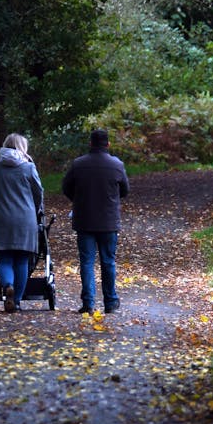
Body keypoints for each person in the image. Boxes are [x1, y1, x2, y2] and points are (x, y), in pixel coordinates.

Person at [62, 127, 129, 314]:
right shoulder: (117, 165)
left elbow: (66, 187)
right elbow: (125, 190)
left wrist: (79, 200)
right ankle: (110, 301)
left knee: (87, 262)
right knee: (108, 261)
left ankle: (88, 302)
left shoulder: (78, 164)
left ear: (90, 143)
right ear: (108, 144)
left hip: (85, 219)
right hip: (108, 221)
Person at [0, 133, 44, 312]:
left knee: (3, 257)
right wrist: (34, 209)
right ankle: (16, 300)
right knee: (22, 260)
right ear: (22, 147)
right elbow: (38, 192)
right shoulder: (28, 168)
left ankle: (8, 285)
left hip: (1, 218)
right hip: (25, 219)